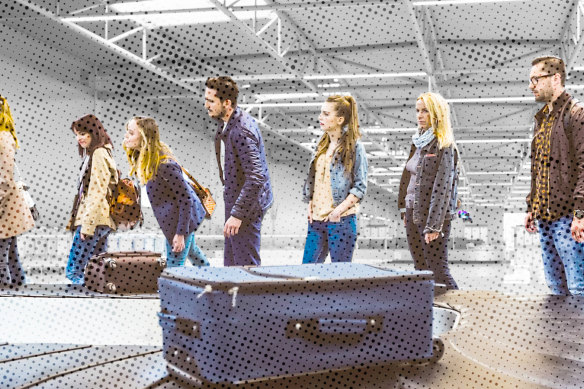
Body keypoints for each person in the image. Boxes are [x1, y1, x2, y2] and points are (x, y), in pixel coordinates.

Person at [525, 55, 584, 296]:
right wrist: (531, 206)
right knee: (556, 291)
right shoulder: (542, 121)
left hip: (568, 219)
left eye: (536, 79)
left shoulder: (576, 115)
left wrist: (580, 215)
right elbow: (538, 169)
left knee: (578, 289)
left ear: (556, 78)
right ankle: (562, 336)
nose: (532, 85)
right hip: (545, 219)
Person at [205, 76, 273, 266]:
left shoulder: (242, 130)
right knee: (232, 264)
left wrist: (238, 214)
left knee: (246, 268)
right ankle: (232, 295)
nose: (206, 105)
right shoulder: (226, 124)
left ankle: (249, 296)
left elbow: (256, 177)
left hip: (248, 208)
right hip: (237, 202)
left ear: (227, 103)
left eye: (211, 101)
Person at [123, 116, 208, 267]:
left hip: (181, 221)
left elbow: (186, 199)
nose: (126, 136)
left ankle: (176, 289)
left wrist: (180, 234)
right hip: (177, 220)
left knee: (173, 268)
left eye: (131, 133)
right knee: (193, 252)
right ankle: (212, 280)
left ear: (144, 137)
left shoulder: (164, 165)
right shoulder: (147, 157)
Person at [398, 92, 459, 290]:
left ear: (437, 114)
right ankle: (430, 314)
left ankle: (467, 311)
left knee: (438, 270)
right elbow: (408, 179)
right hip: (412, 212)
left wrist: (433, 226)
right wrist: (404, 209)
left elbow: (442, 189)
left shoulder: (444, 146)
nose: (419, 115)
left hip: (431, 217)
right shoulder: (417, 143)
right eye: (417, 111)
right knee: (420, 270)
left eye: (425, 111)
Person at [301, 95, 368, 263]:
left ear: (340, 119)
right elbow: (314, 180)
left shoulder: (355, 147)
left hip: (341, 221)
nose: (320, 117)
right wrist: (310, 203)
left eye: (325, 114)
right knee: (306, 273)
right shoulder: (321, 146)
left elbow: (360, 187)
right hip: (316, 221)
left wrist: (337, 211)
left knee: (340, 277)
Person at [65, 114, 118, 284]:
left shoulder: (99, 154)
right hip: (100, 219)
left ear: (93, 132)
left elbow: (97, 191)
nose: (78, 138)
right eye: (76, 134)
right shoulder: (97, 153)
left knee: (74, 270)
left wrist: (87, 226)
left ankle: (75, 303)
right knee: (97, 269)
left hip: (94, 219)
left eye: (82, 133)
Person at [0, 95, 34, 287]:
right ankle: (19, 286)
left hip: (5, 204)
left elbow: (4, 178)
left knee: (1, 255)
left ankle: (4, 291)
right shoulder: (4, 136)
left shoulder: (3, 138)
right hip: (7, 203)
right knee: (10, 252)